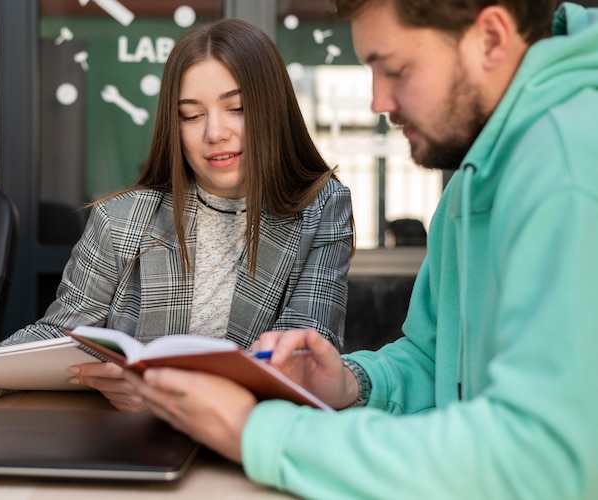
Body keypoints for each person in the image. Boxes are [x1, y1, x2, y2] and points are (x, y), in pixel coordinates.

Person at [127, 1, 598, 498]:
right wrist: (353, 384)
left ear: (492, 39)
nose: (377, 100)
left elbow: (544, 460)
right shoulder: (475, 173)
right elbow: (435, 360)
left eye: (394, 69)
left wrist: (258, 434)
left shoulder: (568, 168)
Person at [0, 19, 354, 410]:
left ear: (273, 109)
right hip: (124, 437)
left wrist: (161, 392)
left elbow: (306, 350)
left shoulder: (322, 208)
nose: (215, 132)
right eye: (191, 115)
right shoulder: (119, 217)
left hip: (250, 437)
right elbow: (59, 333)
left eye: (236, 108)